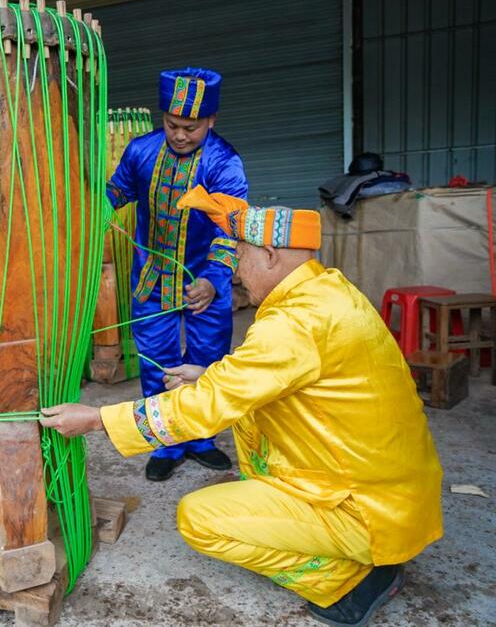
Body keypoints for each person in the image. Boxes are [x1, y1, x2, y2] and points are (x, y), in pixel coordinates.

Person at [41, 188, 443, 626]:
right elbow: (271, 375)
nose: (233, 273)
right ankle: (361, 555)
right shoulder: (327, 292)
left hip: (361, 506)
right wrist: (207, 374)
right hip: (388, 492)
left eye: (240, 258)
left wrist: (98, 418)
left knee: (199, 518)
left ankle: (351, 579)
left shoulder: (295, 322)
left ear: (270, 255)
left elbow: (208, 408)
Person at [106, 67, 247, 481]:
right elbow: (119, 189)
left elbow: (231, 228)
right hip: (151, 277)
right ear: (161, 116)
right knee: (156, 363)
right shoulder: (140, 151)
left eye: (191, 127)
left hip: (204, 282)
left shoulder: (224, 163)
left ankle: (201, 438)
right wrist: (102, 203)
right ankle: (166, 441)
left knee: (206, 361)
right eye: (171, 125)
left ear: (211, 122)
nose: (180, 135)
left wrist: (213, 280)